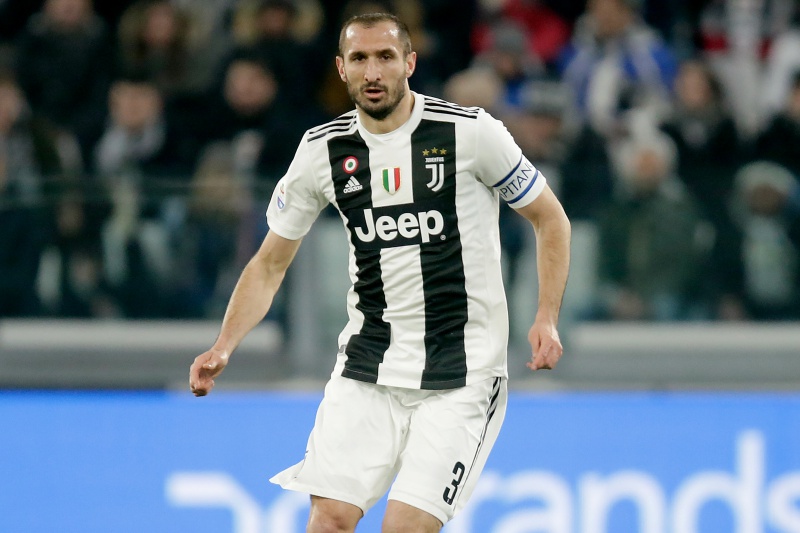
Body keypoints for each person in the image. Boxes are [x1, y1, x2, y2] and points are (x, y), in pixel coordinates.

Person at [189, 12, 571, 533]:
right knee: (329, 520)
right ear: (341, 69)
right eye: (360, 59)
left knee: (404, 528)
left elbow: (550, 219)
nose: (372, 72)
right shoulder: (322, 151)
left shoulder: (469, 133)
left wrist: (546, 316)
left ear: (409, 63)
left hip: (462, 374)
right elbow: (270, 261)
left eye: (385, 57)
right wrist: (224, 344)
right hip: (368, 366)